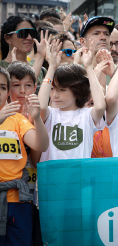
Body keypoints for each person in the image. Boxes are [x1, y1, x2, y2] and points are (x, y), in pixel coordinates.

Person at [0, 66, 48, 245]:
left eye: (3, 87)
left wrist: (36, 118)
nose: (0, 91)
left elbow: (41, 144)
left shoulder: (17, 119)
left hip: (18, 200)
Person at [38, 40, 106, 161]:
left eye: (62, 90)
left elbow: (100, 106)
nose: (55, 95)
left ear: (77, 90)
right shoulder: (51, 115)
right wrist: (52, 68)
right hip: (52, 178)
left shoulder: (87, 115)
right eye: (53, 89)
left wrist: (89, 68)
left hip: (79, 178)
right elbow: (41, 107)